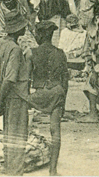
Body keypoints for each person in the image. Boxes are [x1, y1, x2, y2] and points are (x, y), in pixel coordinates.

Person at [0, 9, 31, 175]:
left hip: (5, 94)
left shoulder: (0, 43)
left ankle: (7, 166)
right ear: (18, 29)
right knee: (18, 135)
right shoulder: (16, 50)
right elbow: (10, 79)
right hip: (16, 96)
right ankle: (15, 170)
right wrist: (2, 100)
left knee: (8, 133)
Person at [26, 21, 69, 176]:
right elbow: (65, 82)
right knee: (55, 130)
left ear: (42, 35)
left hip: (40, 93)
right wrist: (63, 103)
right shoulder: (60, 53)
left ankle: (20, 159)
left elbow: (26, 79)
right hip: (57, 92)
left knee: (21, 115)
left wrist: (26, 98)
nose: (35, 36)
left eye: (36, 34)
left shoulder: (31, 53)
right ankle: (53, 170)